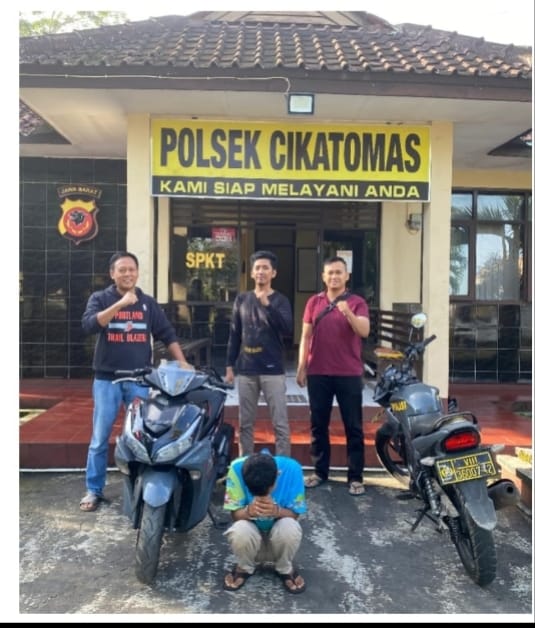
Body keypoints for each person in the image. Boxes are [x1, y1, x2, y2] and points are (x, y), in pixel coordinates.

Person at [79, 251, 191, 512]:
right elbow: (89, 325)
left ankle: (141, 490)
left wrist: (183, 362)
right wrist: (120, 304)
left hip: (140, 381)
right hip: (108, 381)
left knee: (142, 437)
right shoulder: (101, 298)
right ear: (112, 274)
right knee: (99, 438)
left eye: (132, 269)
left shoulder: (147, 303)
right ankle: (93, 489)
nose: (128, 274)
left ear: (137, 272)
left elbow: (167, 333)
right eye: (122, 270)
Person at [296, 255, 370, 496]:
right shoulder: (314, 302)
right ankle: (320, 472)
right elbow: (306, 336)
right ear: (323, 276)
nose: (334, 276)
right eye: (330, 272)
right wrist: (301, 366)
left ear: (347, 276)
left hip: (348, 373)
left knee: (353, 426)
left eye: (339, 272)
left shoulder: (357, 302)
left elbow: (364, 331)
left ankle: (355, 477)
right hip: (318, 372)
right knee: (318, 425)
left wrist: (348, 312)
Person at [225, 250, 293, 457]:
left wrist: (267, 305)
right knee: (245, 424)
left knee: (280, 423)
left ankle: (282, 466)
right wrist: (229, 365)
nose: (261, 271)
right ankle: (245, 464)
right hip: (247, 369)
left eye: (265, 268)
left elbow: (287, 330)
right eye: (257, 268)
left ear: (274, 273)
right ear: (252, 273)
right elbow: (235, 333)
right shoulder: (242, 299)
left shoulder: (280, 300)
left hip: (273, 370)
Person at [222, 451, 307, 594]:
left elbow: (294, 515)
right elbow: (235, 515)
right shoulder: (236, 469)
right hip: (252, 544)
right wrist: (248, 511)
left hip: (279, 543)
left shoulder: (293, 469)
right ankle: (245, 566)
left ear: (278, 475)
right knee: (239, 529)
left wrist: (277, 511)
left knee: (290, 526)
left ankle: (284, 567)